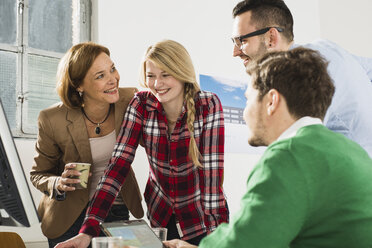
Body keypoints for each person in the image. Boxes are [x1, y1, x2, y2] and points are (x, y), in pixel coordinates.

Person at [164, 47, 372, 248]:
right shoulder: (353, 151)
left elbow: (244, 245)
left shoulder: (289, 156)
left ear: (272, 101)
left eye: (248, 99)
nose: (245, 113)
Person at [55, 39, 228, 248]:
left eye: (166, 75)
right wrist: (88, 231)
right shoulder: (141, 105)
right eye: (151, 76)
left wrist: (218, 238)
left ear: (182, 73)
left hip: (202, 220)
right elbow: (117, 167)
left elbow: (212, 177)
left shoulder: (208, 104)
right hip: (161, 217)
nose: (157, 84)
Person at [29, 42, 144, 248]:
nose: (113, 79)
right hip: (69, 215)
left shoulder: (130, 101)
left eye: (112, 69)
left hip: (116, 207)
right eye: (100, 76)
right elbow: (38, 174)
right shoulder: (52, 118)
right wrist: (58, 183)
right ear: (78, 85)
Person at [231, 0, 372, 157]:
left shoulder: (295, 82)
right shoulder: (325, 47)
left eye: (241, 41)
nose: (235, 52)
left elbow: (296, 154)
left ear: (271, 38)